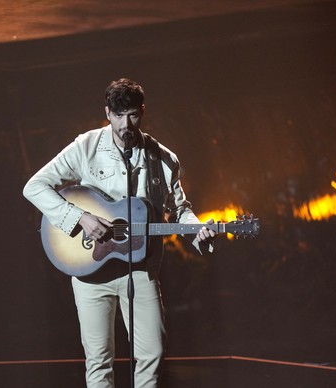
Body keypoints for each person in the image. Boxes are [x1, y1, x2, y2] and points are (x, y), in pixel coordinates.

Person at [23, 78, 216, 387]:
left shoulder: (163, 159)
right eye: (119, 115)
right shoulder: (85, 147)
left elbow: (180, 210)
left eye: (133, 115)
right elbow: (34, 187)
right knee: (98, 359)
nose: (126, 124)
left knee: (152, 352)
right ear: (108, 113)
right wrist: (80, 217)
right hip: (90, 272)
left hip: (139, 270)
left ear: (143, 112)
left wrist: (197, 230)